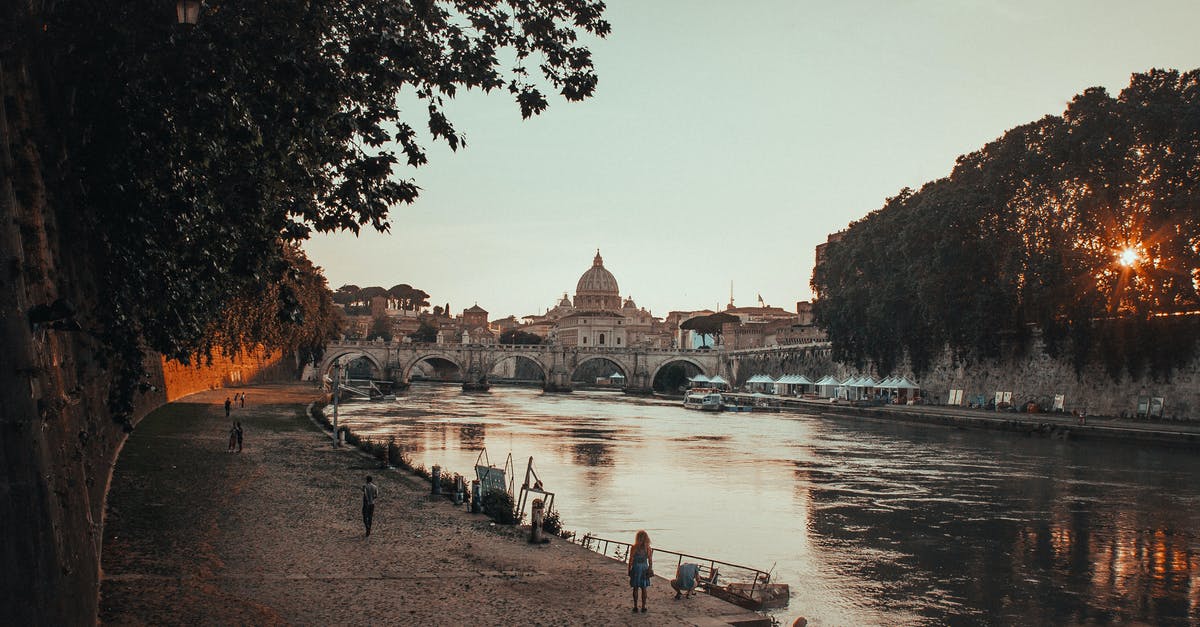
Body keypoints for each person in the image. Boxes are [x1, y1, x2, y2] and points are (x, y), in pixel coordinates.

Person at [627, 529, 653, 613]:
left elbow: (631, 559)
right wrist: (649, 569)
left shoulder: (634, 547)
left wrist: (629, 569)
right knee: (644, 588)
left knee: (635, 588)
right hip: (644, 568)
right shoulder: (648, 548)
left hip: (636, 568)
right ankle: (643, 606)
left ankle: (635, 606)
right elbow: (650, 561)